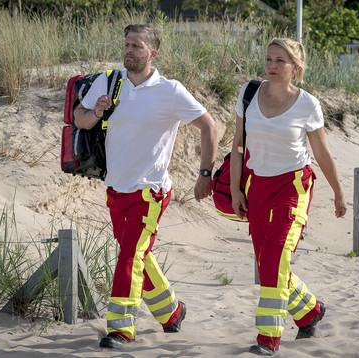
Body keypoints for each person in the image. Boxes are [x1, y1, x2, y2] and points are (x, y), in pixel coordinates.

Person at [74, 24, 218, 349]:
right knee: (139, 254)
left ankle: (121, 329)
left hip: (150, 191)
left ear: (153, 53)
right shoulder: (109, 82)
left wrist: (205, 173)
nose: (128, 50)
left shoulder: (170, 91)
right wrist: (95, 111)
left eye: (136, 46)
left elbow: (210, 126)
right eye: (126, 44)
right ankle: (172, 312)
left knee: (129, 256)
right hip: (115, 188)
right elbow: (79, 119)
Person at [230, 38, 347, 356]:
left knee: (274, 256)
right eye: (269, 59)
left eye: (280, 60)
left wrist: (338, 193)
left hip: (293, 187)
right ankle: (310, 311)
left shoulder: (308, 104)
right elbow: (238, 144)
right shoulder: (249, 92)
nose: (272, 65)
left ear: (296, 67)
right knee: (266, 260)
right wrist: (236, 187)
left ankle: (268, 337)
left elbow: (321, 153)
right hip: (257, 186)